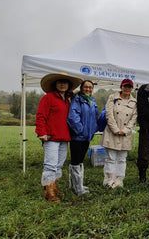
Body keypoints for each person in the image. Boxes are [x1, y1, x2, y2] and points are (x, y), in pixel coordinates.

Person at [35, 72, 82, 202]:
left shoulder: (68, 100)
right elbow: (41, 116)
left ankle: (54, 187)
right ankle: (49, 192)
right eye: (60, 82)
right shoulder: (48, 98)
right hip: (51, 137)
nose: (62, 84)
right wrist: (41, 132)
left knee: (59, 165)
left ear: (68, 85)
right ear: (55, 84)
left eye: (65, 82)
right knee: (50, 164)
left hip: (64, 137)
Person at [100, 79, 138, 188]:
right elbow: (108, 114)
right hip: (112, 132)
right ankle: (109, 180)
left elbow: (134, 118)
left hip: (125, 134)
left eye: (129, 87)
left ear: (132, 88)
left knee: (122, 159)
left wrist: (125, 130)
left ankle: (119, 180)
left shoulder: (134, 102)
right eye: (125, 86)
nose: (127, 88)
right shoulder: (112, 98)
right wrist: (115, 129)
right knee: (110, 158)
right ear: (121, 87)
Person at [67, 80, 98, 195]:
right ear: (81, 88)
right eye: (86, 87)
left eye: (90, 87)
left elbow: (95, 117)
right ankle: (77, 188)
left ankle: (77, 185)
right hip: (77, 137)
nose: (88, 89)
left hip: (86, 137)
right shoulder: (77, 100)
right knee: (75, 161)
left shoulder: (92, 101)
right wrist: (80, 131)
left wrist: (92, 130)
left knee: (80, 161)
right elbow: (72, 117)